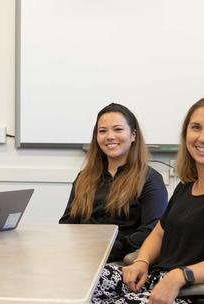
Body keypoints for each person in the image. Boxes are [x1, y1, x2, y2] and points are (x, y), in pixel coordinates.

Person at [91, 96, 204, 304]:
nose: (202, 137)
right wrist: (142, 262)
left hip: (191, 291)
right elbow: (159, 233)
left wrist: (180, 276)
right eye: (196, 127)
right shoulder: (188, 184)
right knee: (84, 283)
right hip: (158, 278)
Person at [59, 103, 168, 262]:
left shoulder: (150, 179)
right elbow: (67, 224)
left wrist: (106, 249)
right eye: (103, 131)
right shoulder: (84, 178)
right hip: (81, 257)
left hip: (121, 262)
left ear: (133, 135)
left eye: (118, 129)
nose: (110, 136)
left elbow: (151, 231)